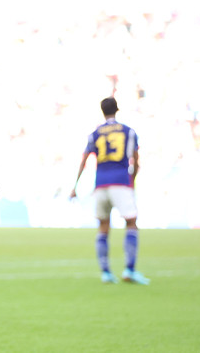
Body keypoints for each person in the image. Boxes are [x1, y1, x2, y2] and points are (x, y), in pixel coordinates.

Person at [70, 97, 149, 285]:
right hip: (121, 182)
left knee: (103, 226)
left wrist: (75, 186)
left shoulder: (95, 133)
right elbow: (135, 160)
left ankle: (105, 272)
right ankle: (129, 269)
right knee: (131, 222)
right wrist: (132, 179)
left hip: (101, 184)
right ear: (117, 110)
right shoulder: (128, 131)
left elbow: (84, 160)